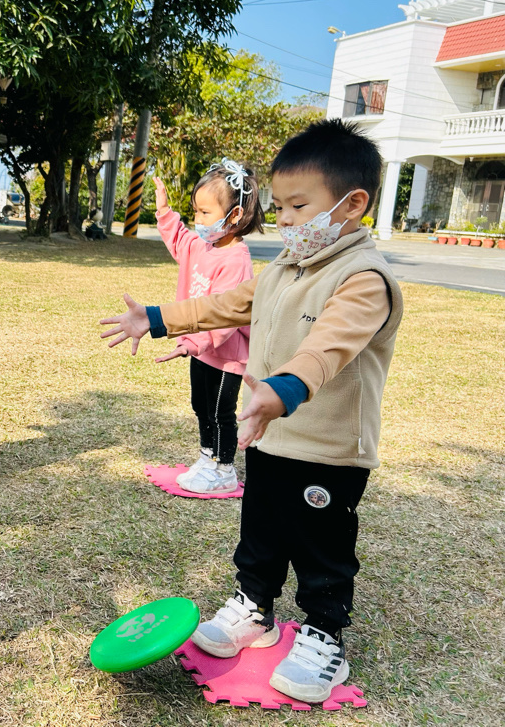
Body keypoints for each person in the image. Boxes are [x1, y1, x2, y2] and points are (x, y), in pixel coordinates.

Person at [100, 119, 402, 703]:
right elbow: (223, 304)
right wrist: (157, 318)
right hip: (267, 433)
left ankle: (324, 633)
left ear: (353, 204)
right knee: (260, 529)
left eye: (298, 207)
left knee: (320, 546)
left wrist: (283, 389)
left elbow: (329, 346)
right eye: (280, 207)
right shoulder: (286, 266)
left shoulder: (364, 279)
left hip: (328, 446)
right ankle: (254, 608)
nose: (285, 220)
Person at [152, 160, 262, 493]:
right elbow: (179, 239)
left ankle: (223, 468)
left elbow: (225, 317)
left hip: (227, 355)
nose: (198, 220)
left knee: (220, 412)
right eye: (195, 212)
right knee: (201, 406)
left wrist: (192, 343)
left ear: (234, 215)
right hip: (199, 349)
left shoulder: (236, 259)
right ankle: (207, 457)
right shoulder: (202, 247)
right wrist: (164, 211)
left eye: (205, 212)